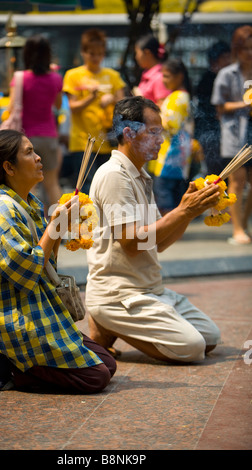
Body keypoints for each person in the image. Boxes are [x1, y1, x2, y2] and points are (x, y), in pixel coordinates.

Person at [0, 129, 116, 393]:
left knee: (108, 364)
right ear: (9, 167)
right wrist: (54, 226)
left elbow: (47, 265)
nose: (39, 158)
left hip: (44, 309)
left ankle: (27, 367)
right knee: (96, 377)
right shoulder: (2, 210)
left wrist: (61, 230)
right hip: (19, 320)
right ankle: (13, 371)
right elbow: (26, 270)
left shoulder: (31, 203)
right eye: (29, 152)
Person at [85, 96, 221, 364]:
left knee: (210, 338)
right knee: (192, 348)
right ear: (129, 133)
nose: (161, 140)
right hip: (120, 293)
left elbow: (158, 242)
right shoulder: (114, 174)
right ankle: (109, 322)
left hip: (150, 290)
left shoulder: (141, 175)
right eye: (154, 132)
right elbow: (131, 242)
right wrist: (184, 211)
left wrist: (187, 210)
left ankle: (115, 326)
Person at [62, 28, 126, 193]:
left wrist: (111, 99)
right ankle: (87, 218)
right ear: (83, 52)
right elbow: (73, 107)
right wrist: (91, 97)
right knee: (86, 186)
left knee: (108, 186)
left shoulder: (112, 76)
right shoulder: (73, 75)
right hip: (82, 141)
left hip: (107, 141)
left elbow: (123, 103)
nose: (96, 57)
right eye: (91, 53)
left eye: (99, 53)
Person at [6, 35, 63, 208]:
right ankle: (61, 225)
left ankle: (32, 226)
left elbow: (10, 108)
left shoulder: (21, 78)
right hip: (49, 137)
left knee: (30, 185)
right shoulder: (55, 78)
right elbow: (58, 104)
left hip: (26, 138)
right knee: (52, 183)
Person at [211, 25, 252, 245]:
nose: (250, 53)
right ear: (237, 49)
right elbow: (219, 107)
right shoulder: (227, 73)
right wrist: (244, 103)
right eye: (246, 48)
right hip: (235, 133)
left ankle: (245, 225)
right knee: (237, 182)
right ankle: (237, 229)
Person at [148, 58, 193, 215]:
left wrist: (155, 112)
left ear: (179, 76)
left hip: (169, 154)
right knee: (171, 194)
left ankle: (167, 229)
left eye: (167, 76)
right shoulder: (178, 96)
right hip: (177, 155)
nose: (163, 80)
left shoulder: (177, 97)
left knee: (164, 195)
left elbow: (168, 125)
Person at [194, 41, 231, 175]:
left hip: (224, 133)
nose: (229, 61)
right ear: (214, 60)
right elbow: (208, 110)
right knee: (216, 174)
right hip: (211, 133)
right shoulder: (209, 80)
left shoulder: (228, 77)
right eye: (225, 57)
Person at [133, 34, 170, 107]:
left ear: (147, 53)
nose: (136, 57)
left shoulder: (160, 77)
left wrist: (141, 100)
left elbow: (163, 109)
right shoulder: (148, 74)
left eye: (137, 53)